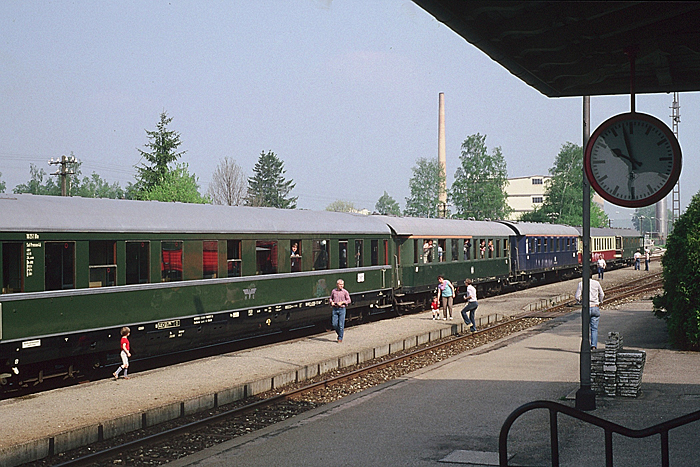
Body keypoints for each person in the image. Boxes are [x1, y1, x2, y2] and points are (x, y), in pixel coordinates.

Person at [575, 278, 605, 349]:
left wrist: (580, 301)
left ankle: (585, 345)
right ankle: (593, 346)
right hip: (595, 307)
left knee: (585, 328)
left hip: (586, 308)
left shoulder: (581, 284)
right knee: (594, 329)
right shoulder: (596, 283)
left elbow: (577, 297)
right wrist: (600, 301)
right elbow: (602, 294)